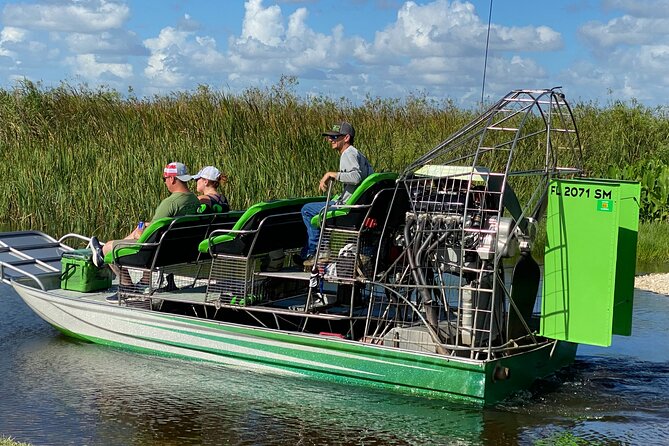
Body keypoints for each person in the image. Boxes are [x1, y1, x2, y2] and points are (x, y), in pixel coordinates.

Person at [89, 161, 201, 267]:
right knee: (142, 226)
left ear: (172, 179)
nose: (165, 182)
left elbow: (152, 232)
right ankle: (144, 280)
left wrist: (139, 233)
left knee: (109, 247)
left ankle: (125, 282)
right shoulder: (195, 200)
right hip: (181, 250)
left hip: (154, 253)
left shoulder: (170, 203)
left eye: (164, 179)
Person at [298, 121, 373, 268]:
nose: (330, 140)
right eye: (329, 137)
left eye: (334, 137)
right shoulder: (359, 154)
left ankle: (317, 251)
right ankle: (312, 252)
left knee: (307, 210)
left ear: (346, 138)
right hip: (357, 204)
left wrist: (331, 174)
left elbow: (355, 177)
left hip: (347, 207)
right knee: (319, 207)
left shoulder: (348, 153)